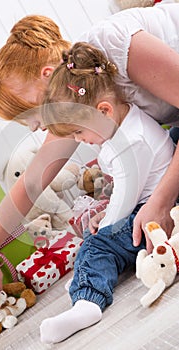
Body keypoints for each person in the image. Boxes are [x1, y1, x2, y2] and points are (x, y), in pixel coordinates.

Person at [0, 2, 179, 312]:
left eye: (31, 114)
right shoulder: (75, 100)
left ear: (46, 76)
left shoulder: (116, 45)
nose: (37, 127)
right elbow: (32, 181)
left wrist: (161, 201)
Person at [39, 41, 175, 343]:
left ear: (103, 111)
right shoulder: (125, 124)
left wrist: (107, 225)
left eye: (78, 132)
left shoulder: (129, 143)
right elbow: (128, 188)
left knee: (96, 246)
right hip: (150, 197)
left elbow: (128, 194)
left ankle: (87, 301)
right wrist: (108, 211)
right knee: (97, 231)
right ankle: (92, 272)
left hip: (156, 208)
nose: (80, 140)